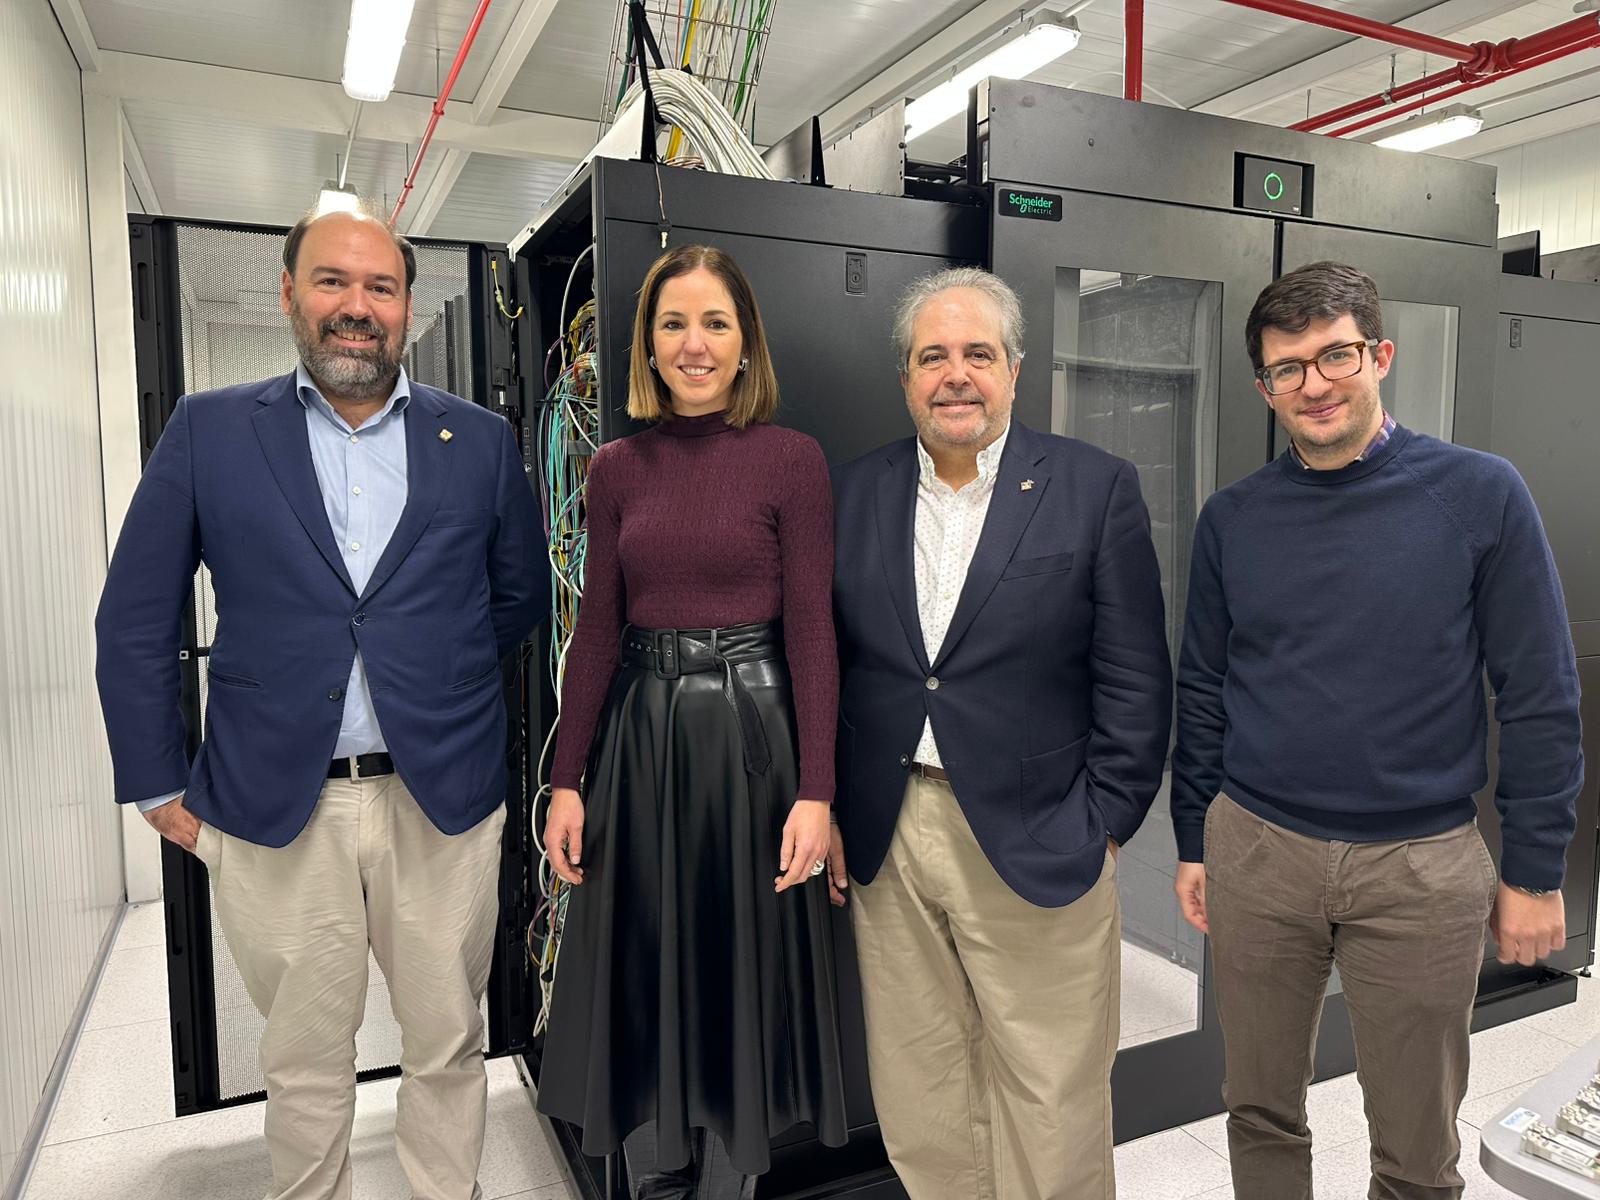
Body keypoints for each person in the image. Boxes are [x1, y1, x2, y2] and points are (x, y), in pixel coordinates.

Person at [95, 205, 546, 1200]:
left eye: (380, 287)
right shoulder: (211, 429)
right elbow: (134, 618)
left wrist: (434, 680)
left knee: (448, 1038)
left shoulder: (476, 439)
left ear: (408, 306)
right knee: (303, 1057)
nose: (357, 306)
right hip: (276, 803)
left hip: (440, 800)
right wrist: (156, 784)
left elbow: (517, 598)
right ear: (289, 293)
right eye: (333, 281)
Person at [1171, 260, 1582, 1200]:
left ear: (1380, 355)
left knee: (1416, 1144)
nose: (1314, 384)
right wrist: (1195, 836)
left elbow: (1539, 691)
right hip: (1259, 851)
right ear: (1265, 387)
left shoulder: (1481, 494)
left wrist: (1534, 869)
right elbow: (1203, 686)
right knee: (1259, 1109)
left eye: (1336, 356)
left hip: (1420, 867)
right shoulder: (1234, 519)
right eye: (1287, 368)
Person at [830, 266, 1171, 1200]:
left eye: (978, 353)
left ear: (1015, 369)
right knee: (922, 1087)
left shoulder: (1093, 488)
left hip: (1042, 827)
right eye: (932, 356)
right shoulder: (853, 493)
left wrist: (1103, 824)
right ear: (905, 377)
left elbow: (1136, 678)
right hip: (892, 834)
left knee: (1051, 1094)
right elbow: (837, 663)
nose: (956, 375)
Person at [535, 243, 848, 1200]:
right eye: (674, 323)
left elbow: (812, 632)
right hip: (639, 746)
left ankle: (727, 1185)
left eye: (715, 322)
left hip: (751, 749)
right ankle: (656, 1178)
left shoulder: (791, 461)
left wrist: (818, 792)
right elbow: (596, 631)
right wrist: (565, 779)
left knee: (733, 970)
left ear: (746, 341)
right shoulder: (616, 468)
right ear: (648, 342)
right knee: (645, 965)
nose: (694, 344)